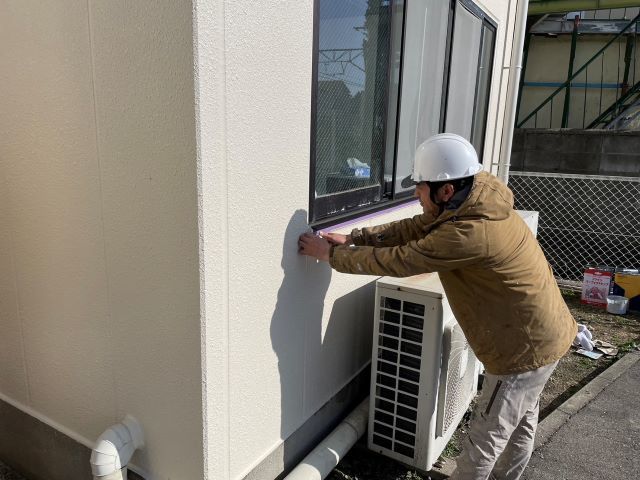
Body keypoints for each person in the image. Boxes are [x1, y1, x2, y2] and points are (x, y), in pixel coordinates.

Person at [298, 133, 577, 480]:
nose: (415, 195)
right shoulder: (474, 198)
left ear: (445, 190)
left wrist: (332, 255)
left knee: (484, 441)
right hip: (544, 331)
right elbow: (416, 227)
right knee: (519, 421)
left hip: (523, 350)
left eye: (420, 188)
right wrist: (356, 237)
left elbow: (400, 260)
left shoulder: (469, 233)